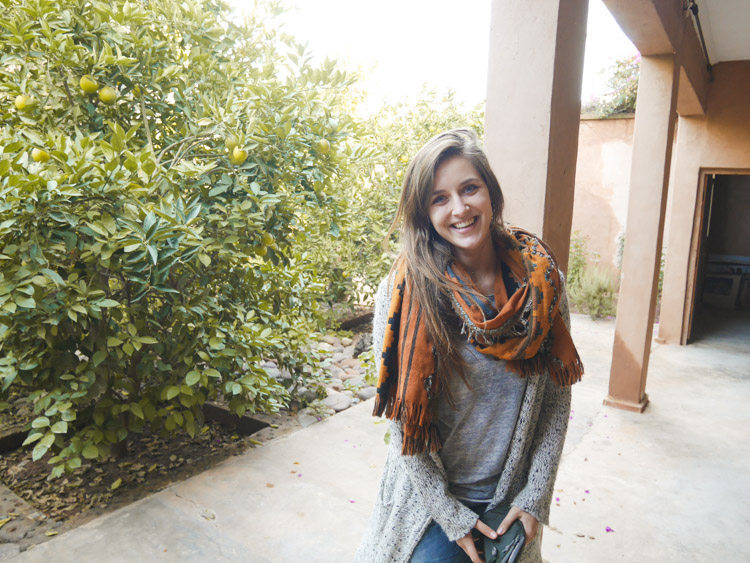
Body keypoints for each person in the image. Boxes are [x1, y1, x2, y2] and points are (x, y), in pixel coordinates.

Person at [355, 128, 583, 563]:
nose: (459, 209)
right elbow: (403, 424)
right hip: (430, 502)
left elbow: (556, 399)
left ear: (490, 192)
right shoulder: (403, 293)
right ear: (425, 213)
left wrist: (535, 495)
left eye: (469, 188)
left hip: (508, 500)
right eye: (439, 198)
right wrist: (450, 516)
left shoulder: (541, 282)